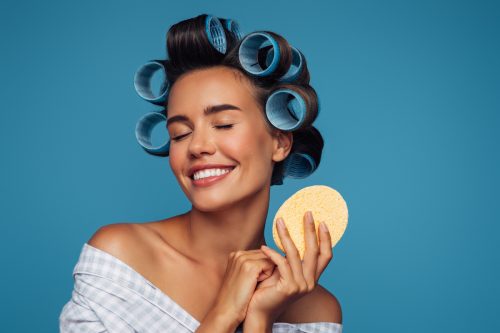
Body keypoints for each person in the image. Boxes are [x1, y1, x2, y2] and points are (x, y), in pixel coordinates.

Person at [59, 13, 343, 333]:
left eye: (223, 124)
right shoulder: (121, 256)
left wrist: (260, 317)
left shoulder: (314, 309)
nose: (197, 147)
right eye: (180, 133)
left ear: (279, 142)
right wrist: (223, 313)